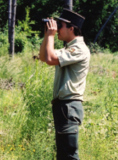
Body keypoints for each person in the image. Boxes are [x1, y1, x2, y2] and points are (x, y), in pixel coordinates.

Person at [39, 8, 90, 160]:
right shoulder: (70, 48)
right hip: (64, 107)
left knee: (69, 155)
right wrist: (47, 35)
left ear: (71, 28)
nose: (57, 29)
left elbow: (50, 59)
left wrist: (51, 35)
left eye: (60, 25)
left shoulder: (79, 49)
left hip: (69, 106)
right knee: (63, 155)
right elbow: (44, 57)